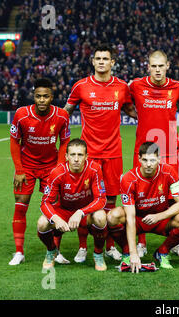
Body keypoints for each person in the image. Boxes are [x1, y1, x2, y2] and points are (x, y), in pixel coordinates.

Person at [64, 43, 135, 263]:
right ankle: (84, 247)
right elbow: (65, 112)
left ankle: (110, 246)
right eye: (98, 59)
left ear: (112, 62)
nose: (102, 62)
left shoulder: (122, 87)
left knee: (111, 200)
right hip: (88, 154)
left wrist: (155, 115)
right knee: (87, 199)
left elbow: (131, 110)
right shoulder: (81, 86)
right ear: (93, 62)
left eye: (106, 59)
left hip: (113, 152)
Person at [128, 50, 179, 257]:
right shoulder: (136, 85)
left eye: (160, 66)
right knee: (140, 196)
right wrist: (136, 115)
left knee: (174, 197)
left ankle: (174, 241)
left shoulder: (177, 87)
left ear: (167, 66)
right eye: (153, 66)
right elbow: (122, 100)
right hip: (144, 151)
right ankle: (141, 241)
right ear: (148, 67)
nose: (157, 70)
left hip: (170, 151)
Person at [9, 77, 70, 266]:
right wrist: (19, 169)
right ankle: (19, 252)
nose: (41, 100)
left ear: (52, 97)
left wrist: (60, 168)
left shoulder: (61, 116)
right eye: (38, 96)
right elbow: (14, 141)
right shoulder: (21, 114)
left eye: (45, 96)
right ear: (33, 96)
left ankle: (55, 251)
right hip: (26, 167)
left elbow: (65, 142)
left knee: (54, 209)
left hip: (51, 168)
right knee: (21, 204)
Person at [107, 142, 179, 270]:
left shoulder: (169, 171)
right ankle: (126, 253)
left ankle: (163, 252)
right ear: (139, 159)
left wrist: (159, 216)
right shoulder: (128, 179)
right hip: (138, 219)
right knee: (112, 217)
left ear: (159, 158)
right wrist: (133, 253)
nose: (148, 164)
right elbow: (130, 217)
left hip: (161, 218)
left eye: (153, 160)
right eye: (145, 160)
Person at [37, 138, 108, 271]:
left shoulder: (94, 169)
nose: (76, 159)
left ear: (86, 156)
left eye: (80, 155)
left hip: (85, 213)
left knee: (101, 217)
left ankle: (98, 254)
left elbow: (101, 199)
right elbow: (45, 203)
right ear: (66, 156)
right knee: (42, 223)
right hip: (64, 211)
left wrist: (81, 212)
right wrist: (56, 218)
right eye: (72, 155)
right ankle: (51, 251)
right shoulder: (57, 172)